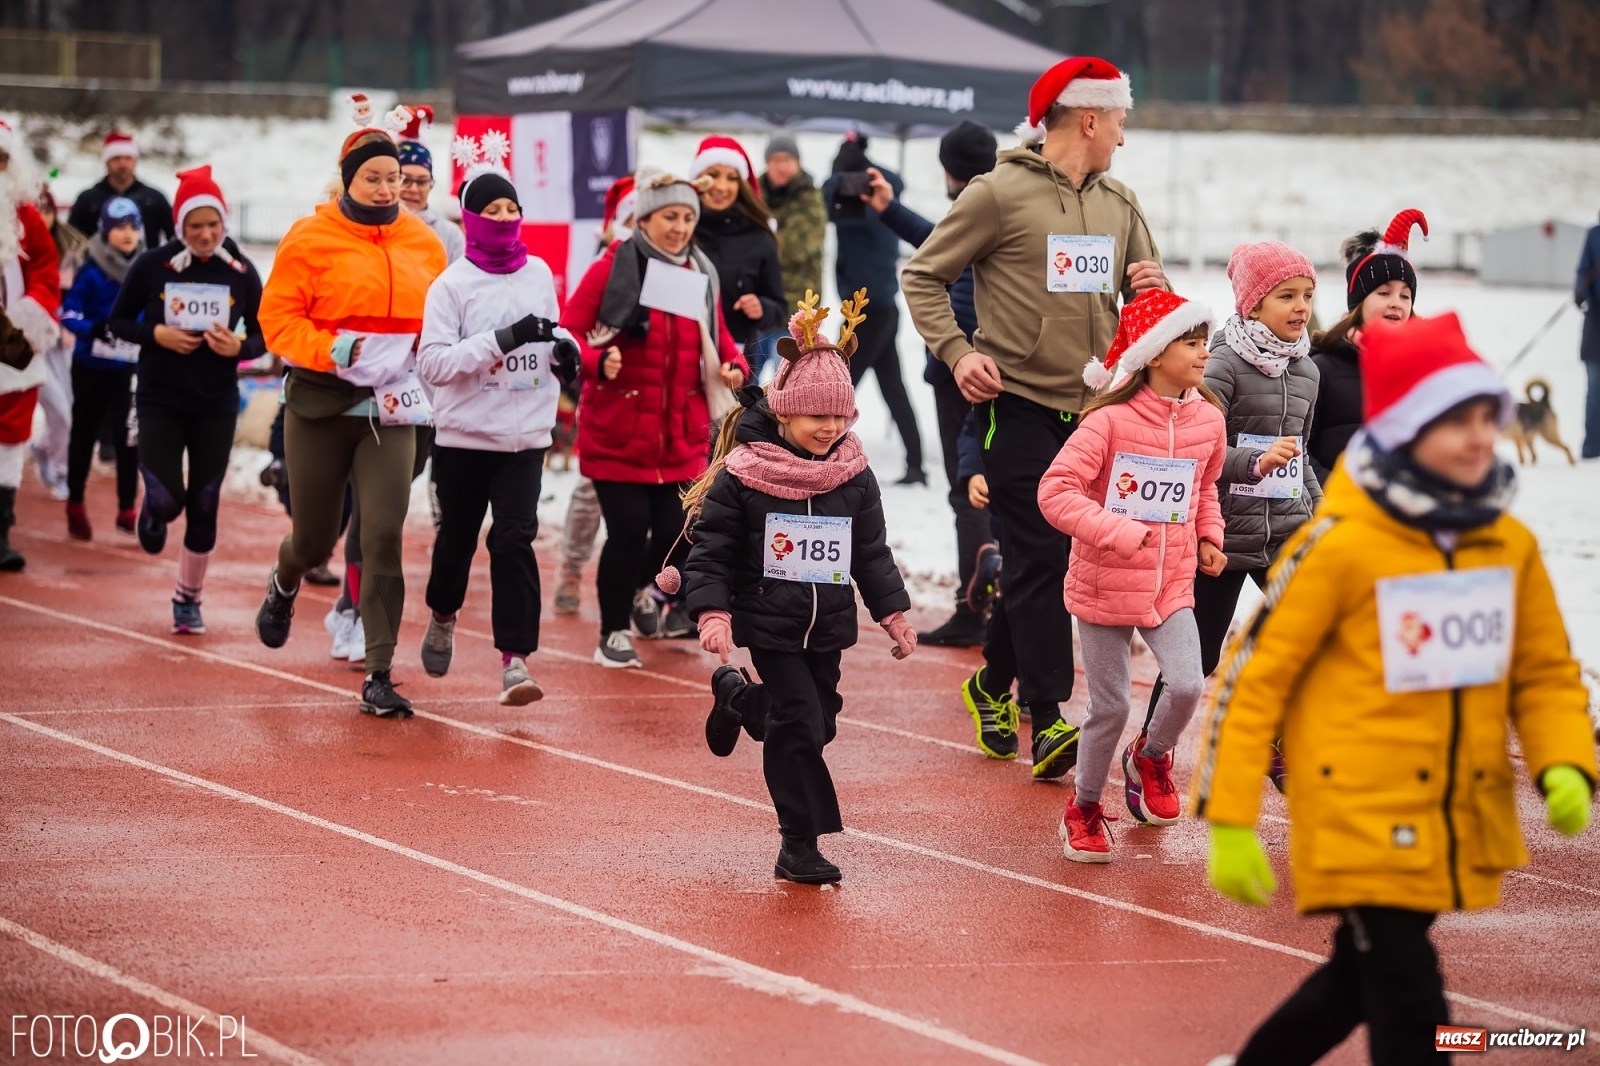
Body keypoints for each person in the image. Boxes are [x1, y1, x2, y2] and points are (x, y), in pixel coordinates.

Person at [1195, 313, 1596, 1066]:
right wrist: (1230, 815)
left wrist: (1564, 760)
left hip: (1449, 804)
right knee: (1417, 1006)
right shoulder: (1342, 545)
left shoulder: (1507, 547)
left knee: (1361, 975)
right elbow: (1255, 676)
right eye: (1456, 421)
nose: (1480, 437)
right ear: (1406, 430)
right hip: (1356, 808)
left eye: (1488, 416)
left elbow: (1542, 669)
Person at [903, 57, 1166, 777]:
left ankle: (993, 681)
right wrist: (957, 353)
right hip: (1011, 407)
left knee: (1050, 563)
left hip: (1094, 414)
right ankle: (1049, 718)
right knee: (1041, 556)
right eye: (1118, 121)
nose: (1122, 136)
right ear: (1087, 119)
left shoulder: (1121, 204)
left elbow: (1151, 308)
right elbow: (922, 275)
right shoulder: (998, 193)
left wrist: (1151, 291)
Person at [679, 291, 916, 884]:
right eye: (817, 417)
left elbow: (870, 553)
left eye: (840, 417)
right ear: (783, 412)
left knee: (819, 721)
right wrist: (712, 613)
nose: (829, 428)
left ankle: (737, 699)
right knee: (801, 725)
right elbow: (711, 552)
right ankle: (799, 843)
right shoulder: (746, 474)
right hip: (768, 621)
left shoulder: (853, 475)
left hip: (828, 625)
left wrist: (893, 613)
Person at [255, 118, 448, 717]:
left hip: (390, 411)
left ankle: (379, 671)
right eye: (373, 178)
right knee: (314, 540)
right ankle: (285, 581)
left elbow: (441, 322)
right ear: (347, 181)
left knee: (382, 533)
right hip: (319, 404)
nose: (388, 188)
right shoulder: (309, 237)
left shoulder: (424, 243)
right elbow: (278, 321)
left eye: (395, 178)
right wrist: (333, 349)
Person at [1037, 290, 1226, 859]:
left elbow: (1204, 487)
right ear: (1150, 355)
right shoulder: (1108, 422)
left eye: (1203, 343)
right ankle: (1087, 806)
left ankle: (1149, 756)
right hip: (1104, 584)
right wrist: (1115, 531)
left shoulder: (1209, 420)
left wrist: (1211, 536)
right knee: (1111, 707)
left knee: (1189, 684)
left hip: (1171, 583)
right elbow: (1055, 491)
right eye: (1189, 344)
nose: (1200, 354)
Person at [1142, 242, 1322, 774]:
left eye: (1307, 296)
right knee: (1196, 658)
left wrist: (1320, 514)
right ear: (1250, 304)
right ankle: (1153, 752)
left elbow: (1301, 454)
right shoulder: (1219, 364)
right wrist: (1255, 460)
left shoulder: (1307, 371)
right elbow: (1195, 449)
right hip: (1219, 535)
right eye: (1286, 296)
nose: (1300, 307)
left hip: (1284, 529)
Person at [559, 167, 749, 669]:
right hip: (619, 429)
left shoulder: (699, 274)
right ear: (645, 218)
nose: (680, 227)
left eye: (688, 217)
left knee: (677, 532)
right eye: (670, 216)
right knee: (628, 531)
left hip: (681, 433)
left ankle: (643, 591)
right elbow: (567, 336)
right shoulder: (611, 268)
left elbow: (721, 337)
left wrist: (735, 367)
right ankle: (613, 631)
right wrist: (599, 362)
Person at [416, 165, 580, 704]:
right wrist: (500, 339)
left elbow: (554, 332)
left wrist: (566, 353)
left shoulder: (537, 271)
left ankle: (516, 661)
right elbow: (434, 365)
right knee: (457, 540)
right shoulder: (451, 285)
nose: (505, 219)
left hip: (526, 439)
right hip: (464, 437)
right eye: (493, 212)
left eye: (512, 210)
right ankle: (443, 615)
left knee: (513, 538)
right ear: (470, 219)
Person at [862, 120, 1001, 648]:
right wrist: (890, 209)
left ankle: (974, 609)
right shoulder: (1003, 205)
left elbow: (935, 253)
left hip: (958, 367)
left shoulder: (973, 209)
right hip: (1009, 368)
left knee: (967, 489)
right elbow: (936, 238)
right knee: (1004, 488)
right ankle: (1002, 603)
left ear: (947, 170)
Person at [109, 167, 264, 635]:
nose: (204, 234)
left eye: (213, 225)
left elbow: (264, 334)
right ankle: (153, 511)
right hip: (159, 397)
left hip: (215, 402)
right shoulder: (152, 264)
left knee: (205, 499)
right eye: (195, 225)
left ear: (224, 224)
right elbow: (117, 322)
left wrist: (240, 348)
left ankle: (187, 598)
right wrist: (155, 334)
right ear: (179, 226)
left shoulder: (239, 271)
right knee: (167, 497)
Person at [554, 176, 637, 618]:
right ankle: (570, 565)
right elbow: (574, 329)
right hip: (608, 399)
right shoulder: (602, 265)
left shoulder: (679, 267)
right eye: (630, 219)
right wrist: (595, 359)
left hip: (658, 408)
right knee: (590, 492)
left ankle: (645, 584)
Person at [823, 132, 924, 485]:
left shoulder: (866, 209)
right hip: (876, 307)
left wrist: (852, 167)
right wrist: (858, 165)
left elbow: (829, 194)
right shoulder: (861, 203)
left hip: (868, 312)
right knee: (892, 386)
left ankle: (818, 457)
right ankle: (916, 464)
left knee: (837, 387)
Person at [1307, 210, 1426, 482]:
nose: (1396, 302)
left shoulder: (1420, 370)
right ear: (1359, 303)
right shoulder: (1322, 367)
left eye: (1405, 296)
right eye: (1383, 293)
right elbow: (1300, 450)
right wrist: (1336, 494)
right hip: (1339, 509)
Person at [60, 197, 145, 542]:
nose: (126, 235)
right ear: (105, 232)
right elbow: (68, 312)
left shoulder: (144, 267)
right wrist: (93, 328)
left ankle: (128, 508)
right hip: (90, 366)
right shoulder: (90, 270)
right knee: (84, 435)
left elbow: (154, 310)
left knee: (129, 437)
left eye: (132, 227)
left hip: (127, 368)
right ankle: (75, 502)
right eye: (119, 228)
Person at [0, 120, 62, 573]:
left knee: (11, 433)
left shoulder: (24, 216)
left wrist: (32, 308)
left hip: (13, 338)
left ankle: (1, 529)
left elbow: (45, 264)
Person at [689, 136, 786, 361]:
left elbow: (778, 308)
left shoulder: (759, 237)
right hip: (681, 359)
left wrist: (761, 307)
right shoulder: (681, 230)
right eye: (712, 175)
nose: (721, 186)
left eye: (732, 178)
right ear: (697, 179)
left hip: (736, 362)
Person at [31, 186, 87, 501]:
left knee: (68, 407)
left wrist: (69, 323)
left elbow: (75, 298)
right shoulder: (15, 252)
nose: (43, 217)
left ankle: (42, 447)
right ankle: (61, 470)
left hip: (63, 342)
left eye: (48, 210)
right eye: (38, 210)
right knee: (60, 410)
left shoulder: (70, 251)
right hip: (27, 344)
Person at [758, 134, 825, 379]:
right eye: (775, 160)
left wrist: (760, 247)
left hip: (795, 311)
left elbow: (800, 246)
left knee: (787, 383)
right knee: (744, 387)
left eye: (787, 159)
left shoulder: (809, 196)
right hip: (758, 308)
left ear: (797, 162)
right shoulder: (754, 194)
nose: (781, 166)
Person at [68, 131, 175, 251]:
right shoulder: (88, 199)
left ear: (135, 161)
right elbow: (71, 238)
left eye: (128, 158)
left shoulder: (154, 198)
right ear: (107, 162)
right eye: (116, 158)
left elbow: (174, 237)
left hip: (146, 267)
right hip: (97, 266)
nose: (122, 164)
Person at [395, 106, 465, 264]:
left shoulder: (449, 234)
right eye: (405, 180)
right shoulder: (376, 227)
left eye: (422, 181)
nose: (413, 189)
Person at [1574, 209, 1600, 458]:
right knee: (1594, 390)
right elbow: (1583, 269)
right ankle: (1592, 446)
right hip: (1596, 319)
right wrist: (1580, 292)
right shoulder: (1594, 235)